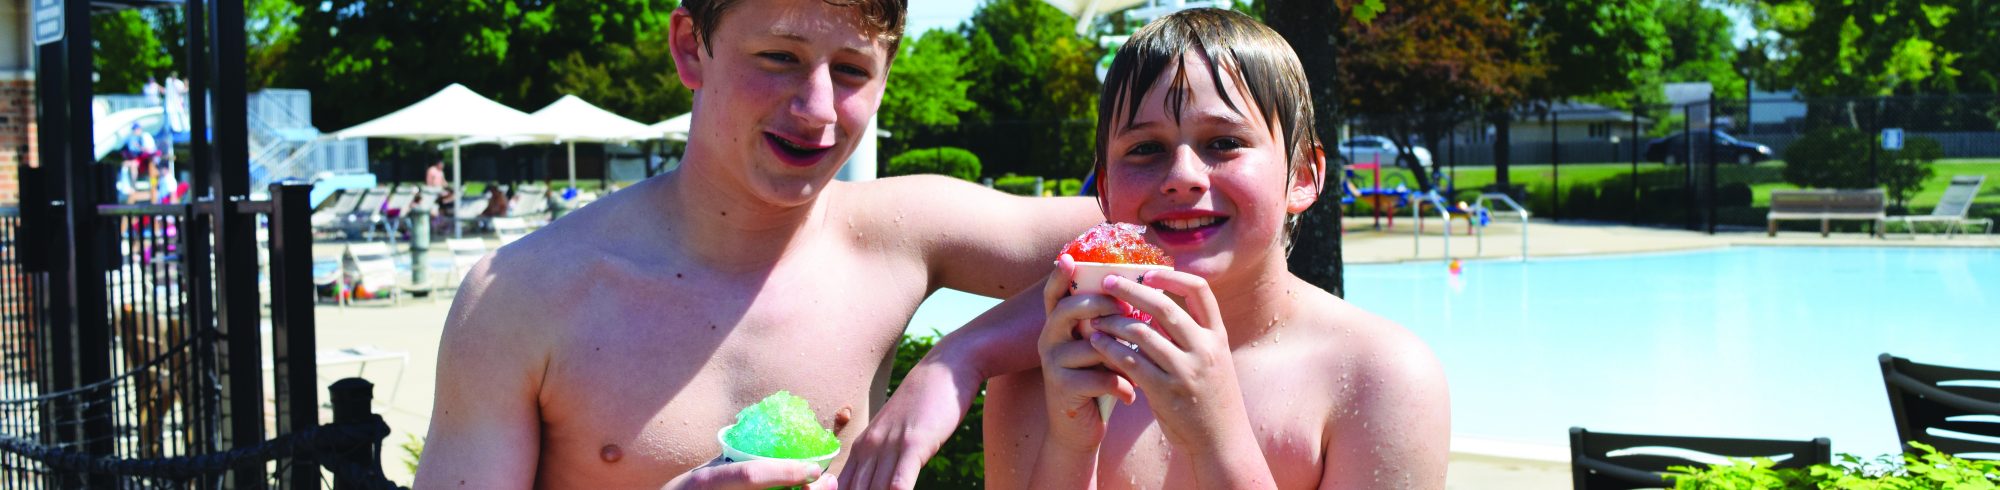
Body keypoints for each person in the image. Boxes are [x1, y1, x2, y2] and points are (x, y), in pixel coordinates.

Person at [414, 1, 1100, 488]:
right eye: (779, 58)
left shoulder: (897, 231)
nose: (818, 109)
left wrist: (960, 357)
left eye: (854, 71)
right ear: (691, 48)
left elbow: (1176, 240)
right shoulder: (522, 296)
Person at [984, 9, 1450, 489]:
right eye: (1146, 149)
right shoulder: (1046, 376)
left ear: (1303, 176)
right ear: (1103, 190)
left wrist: (1217, 441)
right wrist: (1069, 448)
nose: (1183, 176)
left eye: (1224, 142)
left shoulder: (1379, 380)